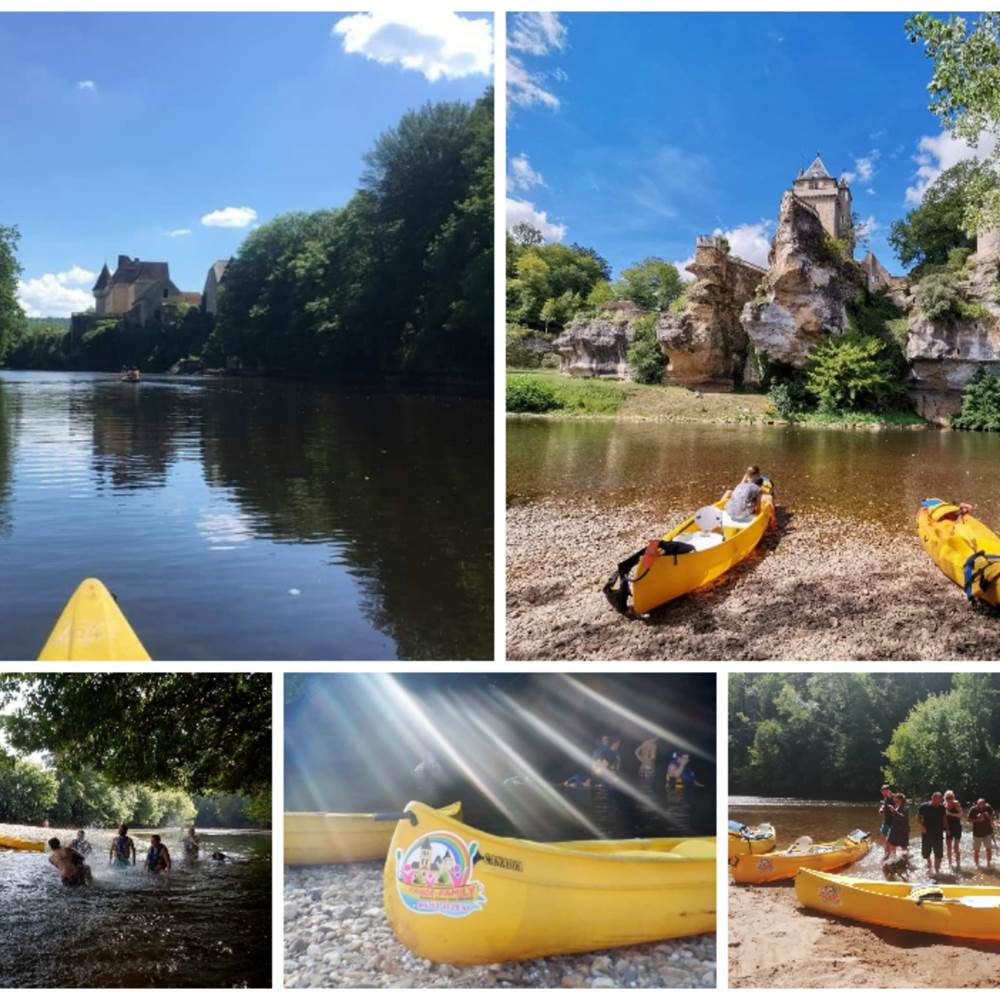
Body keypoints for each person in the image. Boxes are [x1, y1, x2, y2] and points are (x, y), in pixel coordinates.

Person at [918, 791, 947, 875]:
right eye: (936, 799)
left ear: (941, 800)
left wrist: (947, 828)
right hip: (926, 833)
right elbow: (918, 818)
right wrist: (921, 826)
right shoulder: (924, 807)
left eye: (939, 800)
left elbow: (944, 819)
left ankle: (937, 870)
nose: (937, 801)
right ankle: (929, 863)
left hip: (938, 833)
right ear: (932, 798)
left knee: (938, 853)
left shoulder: (942, 808)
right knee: (926, 853)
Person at [968, 798, 995, 868]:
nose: (982, 805)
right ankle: (977, 865)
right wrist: (977, 820)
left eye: (983, 804)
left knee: (989, 849)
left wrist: (987, 816)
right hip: (977, 833)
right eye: (980, 804)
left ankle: (988, 864)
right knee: (976, 850)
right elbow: (969, 820)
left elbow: (992, 819)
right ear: (977, 804)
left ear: (985, 804)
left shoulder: (988, 808)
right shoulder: (973, 809)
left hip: (987, 832)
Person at [886, 793, 910, 861]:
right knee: (891, 842)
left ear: (901, 800)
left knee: (903, 846)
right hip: (895, 828)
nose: (894, 799)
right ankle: (894, 858)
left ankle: (906, 859)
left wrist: (894, 811)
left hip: (903, 829)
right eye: (894, 798)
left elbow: (902, 817)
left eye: (896, 798)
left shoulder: (905, 807)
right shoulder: (897, 806)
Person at [944, 789, 963, 868]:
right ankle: (950, 864)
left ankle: (958, 863)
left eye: (951, 797)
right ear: (945, 798)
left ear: (953, 797)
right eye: (947, 798)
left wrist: (950, 814)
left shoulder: (956, 804)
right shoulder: (944, 805)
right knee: (948, 847)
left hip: (957, 828)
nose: (949, 799)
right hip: (949, 828)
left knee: (956, 847)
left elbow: (961, 815)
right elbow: (943, 818)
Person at [878, 784, 894, 858]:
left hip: (892, 823)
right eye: (882, 791)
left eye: (884, 791)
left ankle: (890, 855)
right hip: (886, 822)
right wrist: (881, 809)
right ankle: (886, 853)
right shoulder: (885, 798)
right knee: (882, 838)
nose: (883, 793)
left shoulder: (893, 797)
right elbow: (884, 805)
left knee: (888, 841)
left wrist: (890, 795)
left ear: (888, 791)